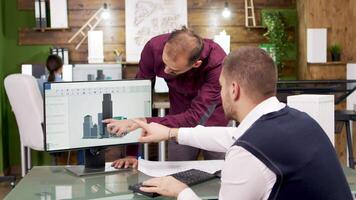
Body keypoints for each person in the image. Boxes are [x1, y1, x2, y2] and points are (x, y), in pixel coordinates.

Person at [130, 47, 352, 199]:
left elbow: (243, 145)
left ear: (234, 89)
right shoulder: (300, 121)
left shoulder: (247, 152)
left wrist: (181, 191)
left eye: (221, 86)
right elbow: (234, 137)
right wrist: (172, 133)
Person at [104, 26, 229, 168]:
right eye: (164, 63)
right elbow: (140, 96)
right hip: (177, 117)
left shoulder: (217, 62)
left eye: (173, 70)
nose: (165, 71)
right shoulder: (153, 48)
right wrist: (131, 153)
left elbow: (196, 117)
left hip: (213, 122)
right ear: (165, 45)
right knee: (177, 173)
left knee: (220, 173)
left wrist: (142, 121)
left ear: (196, 64)